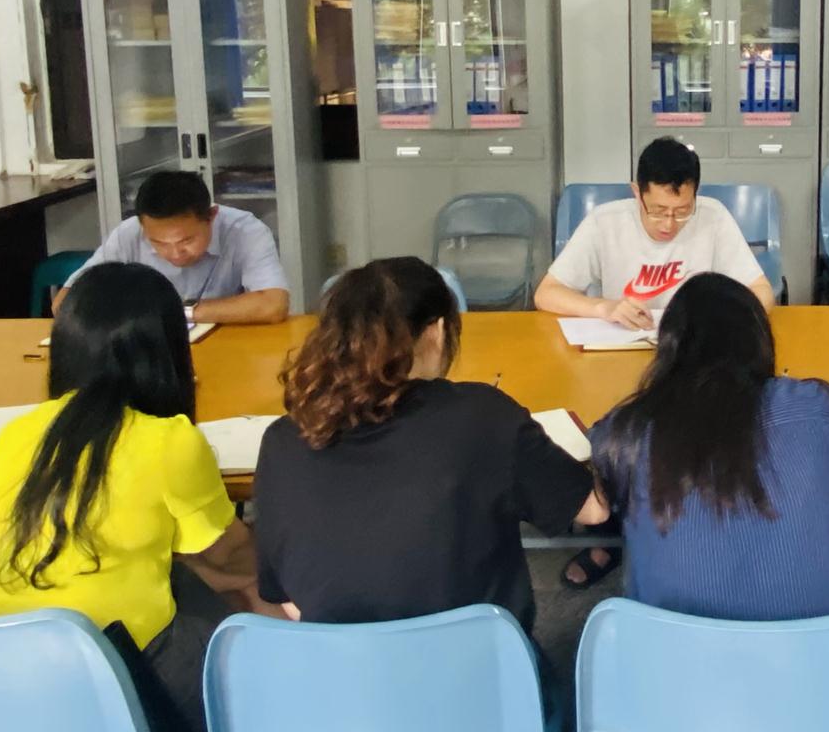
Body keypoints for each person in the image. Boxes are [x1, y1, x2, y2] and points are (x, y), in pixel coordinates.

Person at [0, 263, 260, 732]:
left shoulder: (16, 433)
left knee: (198, 574)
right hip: (123, 680)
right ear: (170, 353)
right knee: (251, 602)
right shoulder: (168, 440)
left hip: (10, 677)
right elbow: (230, 553)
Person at [254, 257, 608, 632]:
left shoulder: (282, 440)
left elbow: (288, 601)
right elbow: (593, 511)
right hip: (480, 661)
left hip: (340, 664)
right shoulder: (484, 415)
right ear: (437, 331)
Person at [591, 271, 829, 627]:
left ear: (667, 348)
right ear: (759, 340)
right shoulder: (812, 405)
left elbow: (588, 479)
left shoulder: (625, 430)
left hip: (672, 660)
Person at [534, 138, 774, 330]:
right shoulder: (604, 222)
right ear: (637, 193)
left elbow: (761, 291)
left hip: (690, 348)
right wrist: (604, 308)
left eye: (683, 211)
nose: (669, 224)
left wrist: (724, 321)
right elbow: (546, 293)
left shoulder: (713, 216)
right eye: (658, 211)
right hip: (621, 341)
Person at [56, 170, 289, 324]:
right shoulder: (128, 234)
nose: (175, 254)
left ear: (211, 216)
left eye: (186, 241)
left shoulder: (245, 231)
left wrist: (173, 312)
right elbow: (65, 303)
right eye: (159, 243)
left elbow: (273, 304)